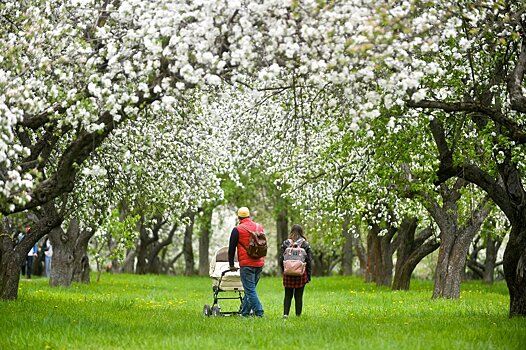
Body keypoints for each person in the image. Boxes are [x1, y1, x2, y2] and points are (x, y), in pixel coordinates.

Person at [228, 207, 265, 317]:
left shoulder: (237, 229)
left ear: (238, 217)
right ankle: (244, 314)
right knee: (251, 290)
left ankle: (259, 313)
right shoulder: (259, 227)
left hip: (247, 265)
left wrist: (231, 265)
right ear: (249, 216)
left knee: (250, 291)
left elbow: (231, 249)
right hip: (259, 263)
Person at [279, 224, 313, 319]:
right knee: (299, 296)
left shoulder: (286, 243)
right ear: (301, 232)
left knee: (287, 295)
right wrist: (309, 275)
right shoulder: (305, 244)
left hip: (288, 274)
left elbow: (281, 259)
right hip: (301, 274)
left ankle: (286, 315)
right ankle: (298, 316)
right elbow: (309, 261)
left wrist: (284, 270)